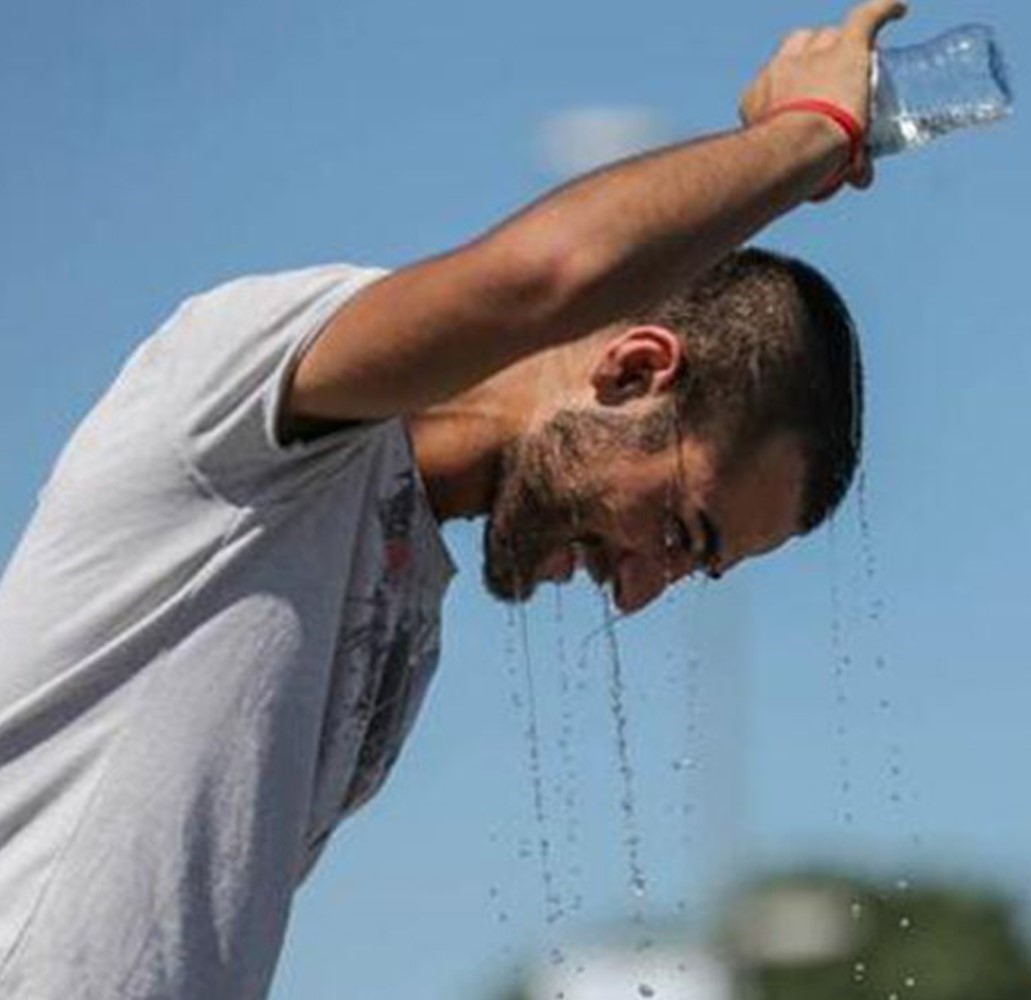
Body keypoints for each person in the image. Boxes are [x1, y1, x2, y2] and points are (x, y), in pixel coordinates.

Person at [0, 1, 905, 995]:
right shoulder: (251, 398)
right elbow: (544, 275)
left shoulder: (406, 614)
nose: (640, 591)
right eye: (681, 529)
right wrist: (809, 134)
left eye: (694, 566)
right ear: (633, 369)